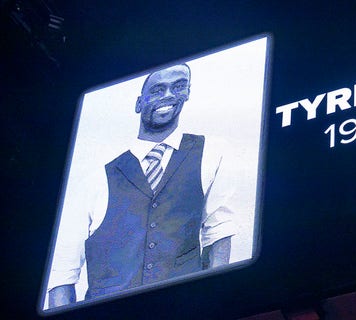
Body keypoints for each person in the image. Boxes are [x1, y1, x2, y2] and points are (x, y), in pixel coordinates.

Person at [47, 63, 236, 307]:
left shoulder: (211, 153)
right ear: (138, 103)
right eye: (158, 89)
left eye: (178, 86)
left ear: (187, 94)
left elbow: (219, 233)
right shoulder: (95, 180)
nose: (169, 95)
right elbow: (62, 274)